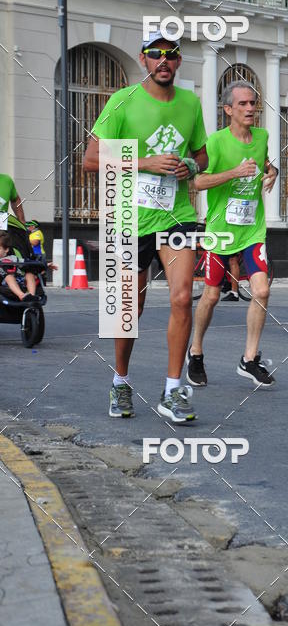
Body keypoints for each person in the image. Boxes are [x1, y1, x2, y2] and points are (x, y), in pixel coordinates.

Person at [83, 31, 207, 423]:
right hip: (127, 215)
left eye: (171, 54)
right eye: (156, 54)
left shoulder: (190, 103)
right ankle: (120, 381)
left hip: (176, 214)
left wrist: (191, 166)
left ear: (179, 61)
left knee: (182, 297)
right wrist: (145, 163)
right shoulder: (123, 101)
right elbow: (90, 160)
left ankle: (172, 390)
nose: (163, 61)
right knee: (128, 308)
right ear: (144, 59)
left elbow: (202, 156)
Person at [188, 80, 278, 388]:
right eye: (243, 104)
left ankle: (249, 359)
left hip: (252, 230)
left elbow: (265, 164)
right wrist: (233, 173)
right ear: (228, 109)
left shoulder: (262, 137)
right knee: (212, 295)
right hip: (220, 231)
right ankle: (196, 351)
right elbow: (197, 182)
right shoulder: (215, 142)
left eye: (253, 103)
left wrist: (272, 173)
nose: (250, 108)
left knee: (261, 291)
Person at [0, 231, 38, 303]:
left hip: (20, 280)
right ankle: (21, 295)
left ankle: (31, 296)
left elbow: (26, 262)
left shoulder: (13, 258)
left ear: (6, 249)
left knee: (29, 274)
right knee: (9, 277)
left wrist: (45, 264)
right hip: (4, 283)